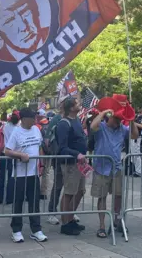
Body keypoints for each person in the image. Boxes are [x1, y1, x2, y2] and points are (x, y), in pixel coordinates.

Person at [90, 98, 138, 238]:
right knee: (102, 197)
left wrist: (131, 119)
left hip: (116, 168)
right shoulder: (102, 127)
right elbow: (93, 126)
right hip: (101, 168)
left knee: (118, 196)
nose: (119, 122)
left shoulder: (122, 129)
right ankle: (102, 226)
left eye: (121, 120)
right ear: (111, 117)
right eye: (118, 119)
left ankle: (117, 221)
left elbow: (134, 135)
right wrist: (104, 112)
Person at [3, 108, 48, 243]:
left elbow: (39, 146)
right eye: (32, 118)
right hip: (19, 175)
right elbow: (7, 151)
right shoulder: (16, 132)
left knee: (34, 202)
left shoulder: (36, 130)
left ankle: (36, 229)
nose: (34, 121)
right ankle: (16, 230)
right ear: (23, 119)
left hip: (33, 173)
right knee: (18, 202)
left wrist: (42, 162)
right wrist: (21, 155)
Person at [56, 97, 88, 236]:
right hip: (70, 164)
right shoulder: (64, 123)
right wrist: (77, 154)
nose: (79, 104)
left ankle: (70, 218)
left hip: (80, 163)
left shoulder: (77, 121)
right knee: (69, 192)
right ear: (70, 107)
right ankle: (65, 224)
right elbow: (62, 147)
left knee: (80, 191)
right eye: (76, 103)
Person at [0, 111, 19, 204]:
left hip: (3, 152)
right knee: (11, 176)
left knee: (1, 176)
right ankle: (9, 198)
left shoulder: (5, 126)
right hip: (12, 153)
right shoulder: (17, 129)